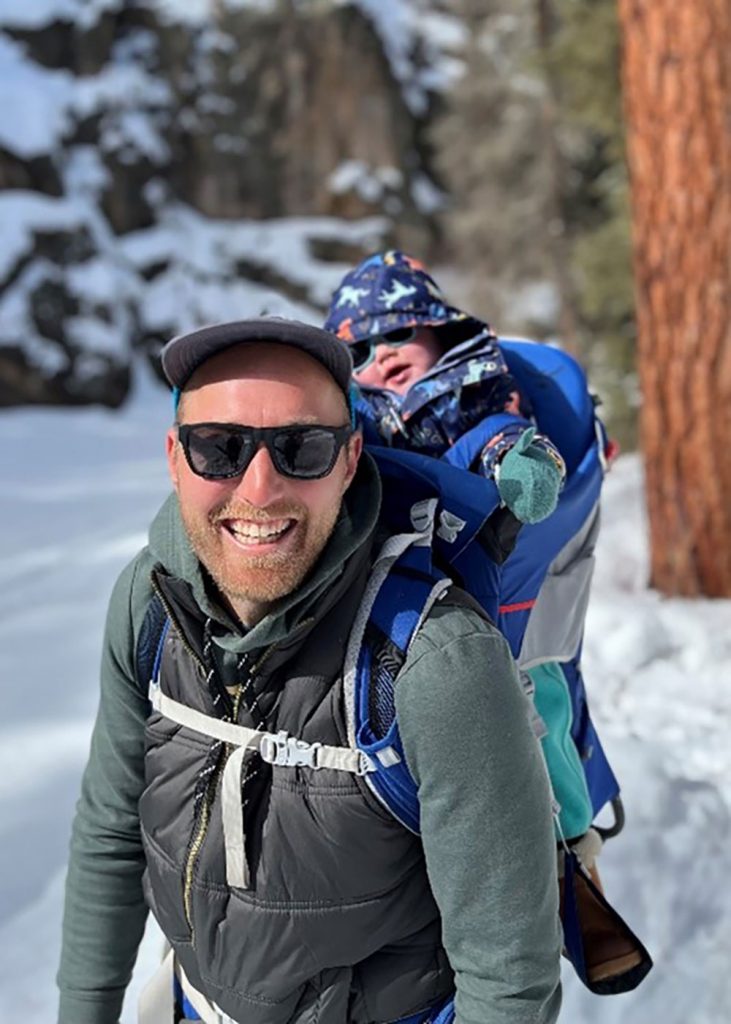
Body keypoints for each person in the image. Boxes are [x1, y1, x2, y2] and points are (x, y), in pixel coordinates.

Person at [57, 317, 562, 1024]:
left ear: (350, 460)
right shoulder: (147, 605)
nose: (259, 489)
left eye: (301, 448)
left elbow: (507, 977)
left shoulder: (435, 660)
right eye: (219, 448)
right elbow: (111, 830)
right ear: (175, 458)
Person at [324, 252, 644, 990]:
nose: (380, 357)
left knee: (538, 712)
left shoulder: (474, 391)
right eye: (357, 351)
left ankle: (573, 859)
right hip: (415, 620)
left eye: (399, 333)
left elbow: (506, 442)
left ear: (441, 333)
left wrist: (517, 465)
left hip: (500, 609)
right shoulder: (353, 413)